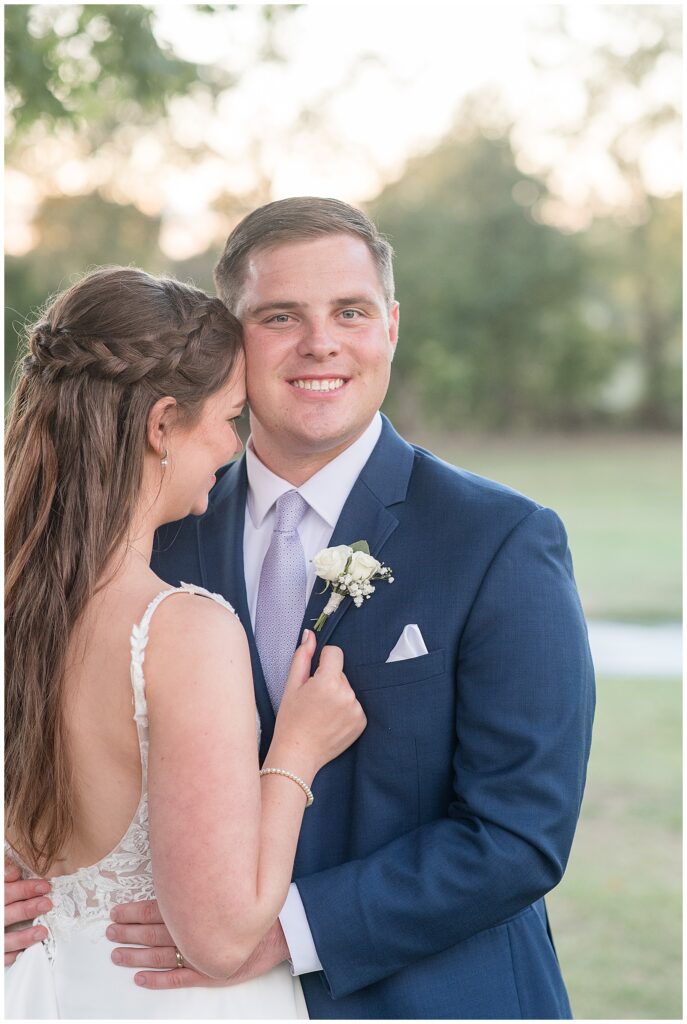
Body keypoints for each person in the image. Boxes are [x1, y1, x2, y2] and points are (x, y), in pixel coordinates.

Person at [7, 198, 595, 1019]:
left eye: (350, 312)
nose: (320, 342)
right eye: (281, 315)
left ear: (390, 326)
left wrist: (281, 929)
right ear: (229, 341)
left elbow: (519, 833)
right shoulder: (147, 529)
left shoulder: (500, 540)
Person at [3, 266, 366, 1019]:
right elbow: (222, 938)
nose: (233, 446)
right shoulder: (180, 629)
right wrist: (296, 752)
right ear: (161, 423)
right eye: (229, 416)